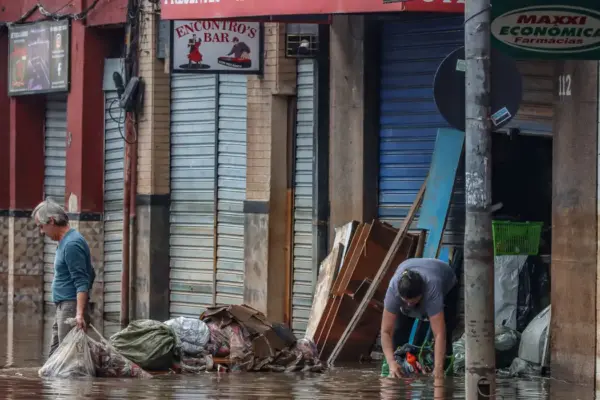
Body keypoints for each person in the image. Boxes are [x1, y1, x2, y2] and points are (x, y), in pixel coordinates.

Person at [32, 199, 95, 357]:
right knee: (54, 359)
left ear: (51, 221)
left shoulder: (72, 244)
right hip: (64, 306)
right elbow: (91, 272)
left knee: (68, 359)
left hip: (70, 308)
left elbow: (82, 280)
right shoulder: (64, 242)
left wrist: (79, 314)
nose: (41, 232)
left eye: (41, 226)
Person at [381, 258, 459, 379]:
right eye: (405, 302)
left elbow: (439, 333)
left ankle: (445, 372)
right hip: (410, 271)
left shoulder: (432, 290)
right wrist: (391, 363)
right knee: (398, 330)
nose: (409, 305)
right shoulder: (393, 291)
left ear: (422, 295)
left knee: (446, 332)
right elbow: (386, 331)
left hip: (446, 280)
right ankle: (397, 369)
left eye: (412, 302)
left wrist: (438, 369)